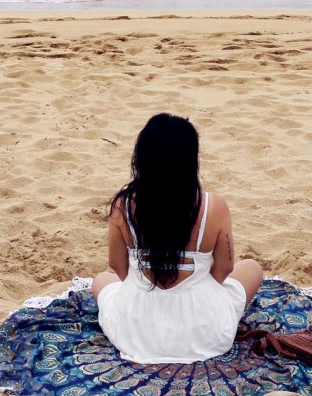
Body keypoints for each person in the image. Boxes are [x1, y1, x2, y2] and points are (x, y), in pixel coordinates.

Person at [92, 113, 264, 364]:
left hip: (136, 331)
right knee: (253, 268)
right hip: (205, 332)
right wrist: (196, 289)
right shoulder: (213, 207)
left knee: (101, 280)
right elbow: (224, 269)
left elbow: (118, 267)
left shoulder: (123, 205)